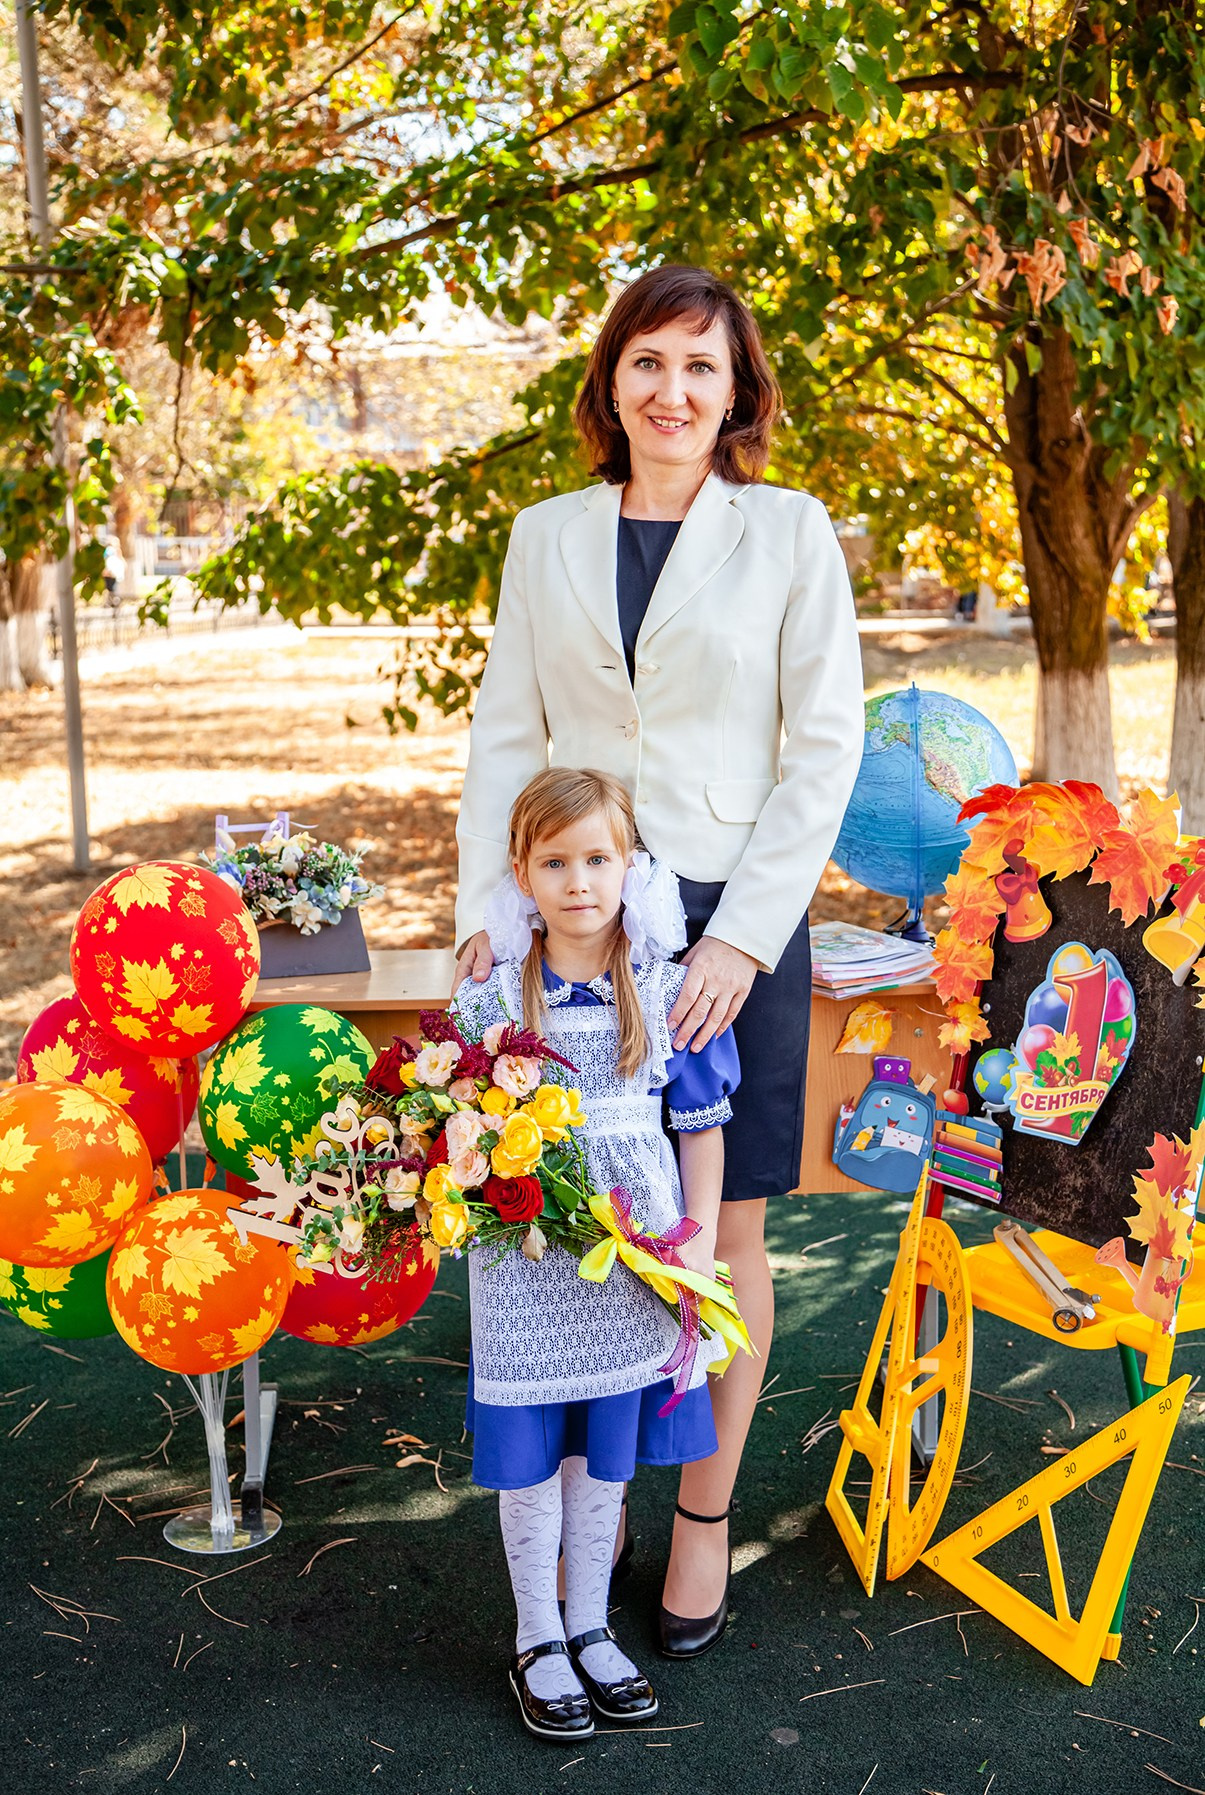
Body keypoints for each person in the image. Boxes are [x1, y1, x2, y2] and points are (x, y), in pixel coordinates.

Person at [454, 263, 865, 1656]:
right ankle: (596, 1490)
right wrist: (482, 911)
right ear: (610, 380)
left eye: (702, 366)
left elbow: (823, 746)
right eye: (648, 362)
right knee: (586, 1208)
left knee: (719, 1225)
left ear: (737, 388)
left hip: (730, 913)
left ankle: (702, 1515)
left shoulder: (790, 531)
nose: (672, 390)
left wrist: (743, 934)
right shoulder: (542, 535)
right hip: (574, 910)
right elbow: (507, 736)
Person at [456, 765, 739, 1742]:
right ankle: (536, 1633)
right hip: (526, 1267)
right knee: (533, 1451)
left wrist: (696, 1239)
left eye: (598, 858)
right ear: (523, 871)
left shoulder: (666, 985)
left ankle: (588, 1623)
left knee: (602, 1453)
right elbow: (452, 1114)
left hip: (632, 1263)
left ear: (630, 866)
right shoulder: (492, 990)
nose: (579, 880)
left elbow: (700, 1127)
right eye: (555, 861)